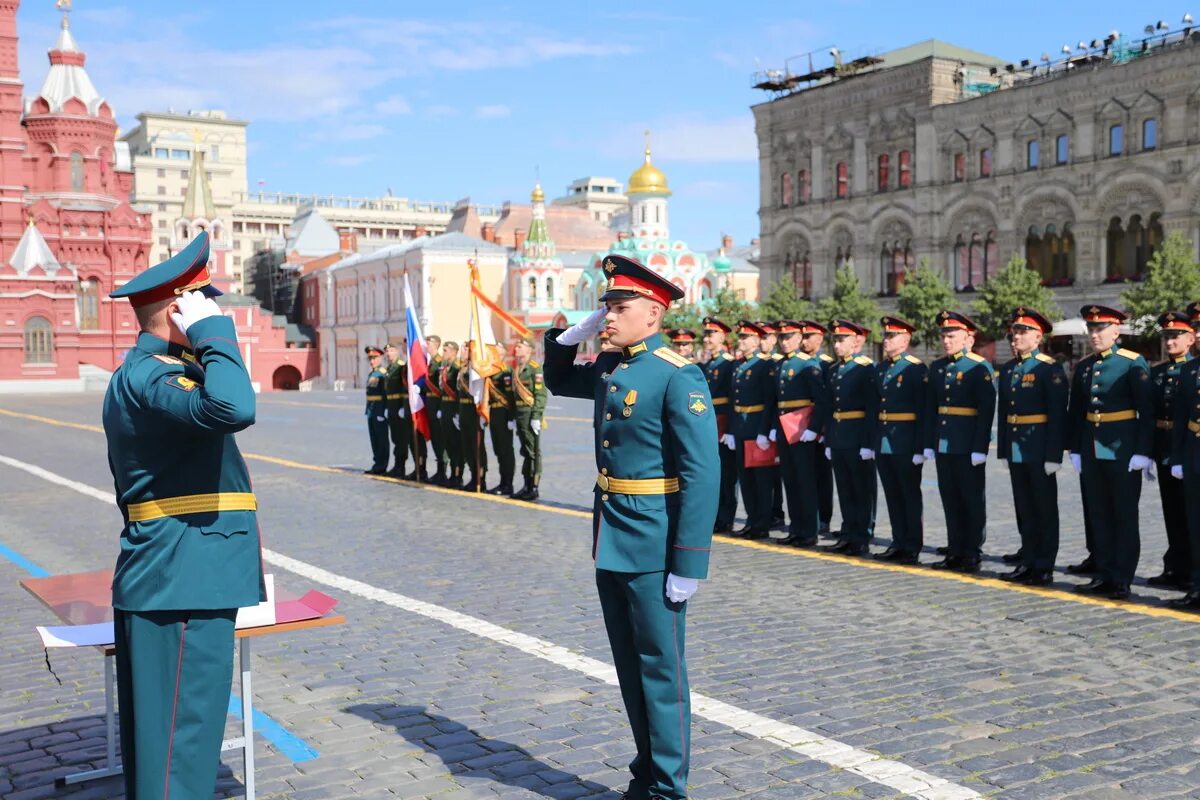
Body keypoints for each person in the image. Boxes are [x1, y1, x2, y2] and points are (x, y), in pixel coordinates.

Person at [543, 254, 718, 800]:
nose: (609, 318)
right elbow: (555, 379)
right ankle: (645, 775)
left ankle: (669, 788)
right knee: (628, 667)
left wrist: (688, 562)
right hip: (611, 536)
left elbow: (701, 473)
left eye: (619, 308)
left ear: (654, 313)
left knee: (661, 674)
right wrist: (571, 334)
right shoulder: (611, 367)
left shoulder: (676, 374)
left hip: (655, 542)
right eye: (606, 309)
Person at [103, 231, 265, 799]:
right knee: (181, 745)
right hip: (183, 577)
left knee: (167, 746)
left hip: (181, 573)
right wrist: (215, 335)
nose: (214, 313)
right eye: (201, 303)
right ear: (178, 310)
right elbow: (234, 406)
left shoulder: (157, 372)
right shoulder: (155, 376)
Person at [1067, 305, 1153, 600]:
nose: (1094, 334)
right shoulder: (1085, 365)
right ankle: (1103, 573)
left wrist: (1143, 451)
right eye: (1091, 329)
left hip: (1122, 451)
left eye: (1100, 328)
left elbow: (1147, 410)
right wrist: (1076, 448)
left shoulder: (1132, 363)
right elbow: (1077, 411)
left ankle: (1122, 578)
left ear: (1116, 331)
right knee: (1099, 514)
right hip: (1092, 450)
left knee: (1124, 515)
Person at [996, 308, 1068, 586]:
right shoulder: (1010, 368)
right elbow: (1005, 412)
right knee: (1024, 507)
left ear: (1038, 337)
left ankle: (1044, 564)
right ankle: (1028, 560)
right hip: (1016, 448)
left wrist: (1053, 454)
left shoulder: (1049, 368)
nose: (1017, 336)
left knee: (1044, 508)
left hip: (1039, 449)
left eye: (1023, 331)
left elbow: (1057, 414)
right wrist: (1003, 448)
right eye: (1015, 331)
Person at [924, 310, 995, 574]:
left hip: (967, 444)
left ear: (967, 337)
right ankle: (955, 549)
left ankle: (972, 550)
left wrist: (980, 447)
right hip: (944, 444)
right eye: (944, 336)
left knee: (971, 499)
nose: (946, 341)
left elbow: (986, 411)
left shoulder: (978, 367)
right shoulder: (938, 367)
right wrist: (929, 442)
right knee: (950, 498)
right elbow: (931, 407)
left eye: (952, 335)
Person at [873, 316, 927, 565]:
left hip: (906, 441)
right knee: (893, 494)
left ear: (905, 340)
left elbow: (922, 411)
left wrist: (919, 447)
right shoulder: (881, 368)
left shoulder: (915, 369)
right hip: (884, 440)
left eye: (891, 336)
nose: (885, 340)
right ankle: (898, 541)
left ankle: (912, 544)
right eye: (885, 335)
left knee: (909, 494)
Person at [822, 320, 878, 557]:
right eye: (835, 339)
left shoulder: (865, 369)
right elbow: (829, 406)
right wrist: (828, 439)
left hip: (858, 436)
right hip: (838, 435)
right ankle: (848, 532)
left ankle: (862, 534)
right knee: (844, 488)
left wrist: (868, 442)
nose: (837, 344)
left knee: (861, 488)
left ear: (856, 342)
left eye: (842, 339)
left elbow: (872, 408)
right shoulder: (834, 370)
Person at [1148, 311, 1195, 590]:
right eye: (1166, 336)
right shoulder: (1158, 371)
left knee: (1190, 513)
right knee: (1172, 511)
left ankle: (1191, 567)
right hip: (1164, 448)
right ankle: (1175, 565)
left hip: (1187, 449)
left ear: (1190, 339)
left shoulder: (1192, 369)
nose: (1169, 341)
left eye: (1175, 336)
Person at [771, 320, 826, 546]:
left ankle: (809, 530)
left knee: (805, 480)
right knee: (790, 479)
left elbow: (821, 400)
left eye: (789, 337)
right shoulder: (779, 365)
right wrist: (773, 428)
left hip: (801, 428)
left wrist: (814, 428)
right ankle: (795, 528)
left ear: (799, 339)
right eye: (782, 338)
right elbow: (776, 400)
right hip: (785, 427)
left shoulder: (807, 364)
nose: (785, 342)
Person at [732, 320, 777, 539]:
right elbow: (735, 400)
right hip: (741, 427)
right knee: (746, 479)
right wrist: (732, 429)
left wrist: (764, 430)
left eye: (745, 337)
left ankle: (762, 523)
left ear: (757, 340)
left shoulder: (765, 365)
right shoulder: (739, 365)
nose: (741, 341)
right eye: (739, 337)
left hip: (757, 427)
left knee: (762, 481)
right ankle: (751, 520)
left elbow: (770, 401)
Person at [1170, 304, 1200, 609]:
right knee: (1195, 523)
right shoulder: (1190, 369)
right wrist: (1178, 456)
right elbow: (1181, 417)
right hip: (1193, 454)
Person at [799, 321, 837, 537]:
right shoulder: (800, 363)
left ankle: (824, 517)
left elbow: (827, 400)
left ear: (820, 339)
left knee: (823, 476)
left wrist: (822, 428)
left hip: (820, 428)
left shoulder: (826, 364)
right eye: (802, 337)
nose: (804, 341)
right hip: (801, 426)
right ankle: (810, 516)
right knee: (808, 474)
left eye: (809, 337)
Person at [701, 317, 738, 534]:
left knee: (726, 476)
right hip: (708, 423)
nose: (706, 339)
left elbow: (734, 399)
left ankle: (726, 517)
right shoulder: (707, 364)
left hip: (722, 424)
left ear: (722, 337)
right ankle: (716, 515)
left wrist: (730, 428)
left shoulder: (729, 364)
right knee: (712, 474)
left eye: (711, 335)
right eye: (705, 335)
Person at [512, 336, 547, 501]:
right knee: (525, 450)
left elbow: (540, 395)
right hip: (519, 414)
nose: (516, 349)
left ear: (529, 349)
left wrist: (536, 416)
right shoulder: (517, 368)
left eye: (520, 346)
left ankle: (534, 487)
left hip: (529, 414)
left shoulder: (534, 368)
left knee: (533, 452)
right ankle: (526, 485)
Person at [458, 342, 488, 492]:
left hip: (474, 412)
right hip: (463, 412)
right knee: (467, 447)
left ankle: (480, 479)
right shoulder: (462, 369)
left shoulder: (477, 369)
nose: (462, 351)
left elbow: (482, 391)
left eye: (465, 349)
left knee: (477, 448)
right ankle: (473, 476)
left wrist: (483, 413)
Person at [487, 351, 517, 496]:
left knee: (506, 450)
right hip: (494, 412)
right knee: (498, 449)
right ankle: (502, 481)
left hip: (504, 414)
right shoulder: (490, 372)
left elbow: (511, 396)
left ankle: (508, 484)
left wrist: (511, 417)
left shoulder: (506, 371)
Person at [383, 342, 414, 478]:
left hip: (399, 407)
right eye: (387, 351)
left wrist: (402, 406)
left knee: (401, 438)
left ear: (397, 352)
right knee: (395, 437)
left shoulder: (401, 367)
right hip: (391, 406)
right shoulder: (389, 368)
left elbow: (404, 388)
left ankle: (401, 467)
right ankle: (397, 465)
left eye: (391, 350)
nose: (389, 354)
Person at [439, 341, 464, 488]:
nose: (444, 353)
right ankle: (451, 475)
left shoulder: (456, 368)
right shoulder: (446, 368)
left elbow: (459, 392)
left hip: (454, 409)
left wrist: (457, 412)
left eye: (446, 350)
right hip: (445, 408)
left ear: (454, 352)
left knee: (456, 445)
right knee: (448, 442)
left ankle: (457, 474)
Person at [423, 335, 447, 483]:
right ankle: (439, 470)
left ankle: (443, 471)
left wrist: (439, 407)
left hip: (437, 404)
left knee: (441, 439)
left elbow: (442, 387)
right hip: (430, 405)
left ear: (436, 345)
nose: (426, 345)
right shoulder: (430, 362)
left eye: (429, 343)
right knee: (435, 439)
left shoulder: (439, 363)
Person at [364, 345, 390, 475]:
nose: (372, 361)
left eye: (374, 358)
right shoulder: (372, 373)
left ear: (380, 358)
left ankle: (382, 464)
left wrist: (383, 411)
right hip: (371, 410)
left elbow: (385, 393)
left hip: (379, 411)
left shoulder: (383, 373)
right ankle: (377, 462)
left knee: (381, 439)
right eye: (370, 358)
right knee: (374, 438)